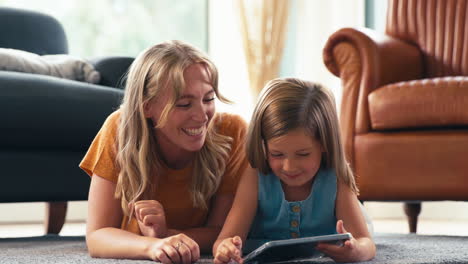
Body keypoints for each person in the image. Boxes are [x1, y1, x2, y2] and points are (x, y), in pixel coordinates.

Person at [80, 40, 248, 263]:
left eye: (208, 99)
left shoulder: (232, 132)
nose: (202, 116)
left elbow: (221, 232)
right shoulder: (118, 129)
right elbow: (97, 236)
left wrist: (166, 236)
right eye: (184, 104)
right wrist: (153, 245)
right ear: (147, 106)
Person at [213, 78, 376, 264]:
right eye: (277, 154)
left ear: (324, 143)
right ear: (263, 144)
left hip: (334, 237)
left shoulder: (335, 176)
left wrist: (356, 252)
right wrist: (225, 249)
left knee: (362, 225)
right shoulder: (256, 175)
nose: (289, 167)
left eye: (303, 154)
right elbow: (223, 240)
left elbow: (366, 242)